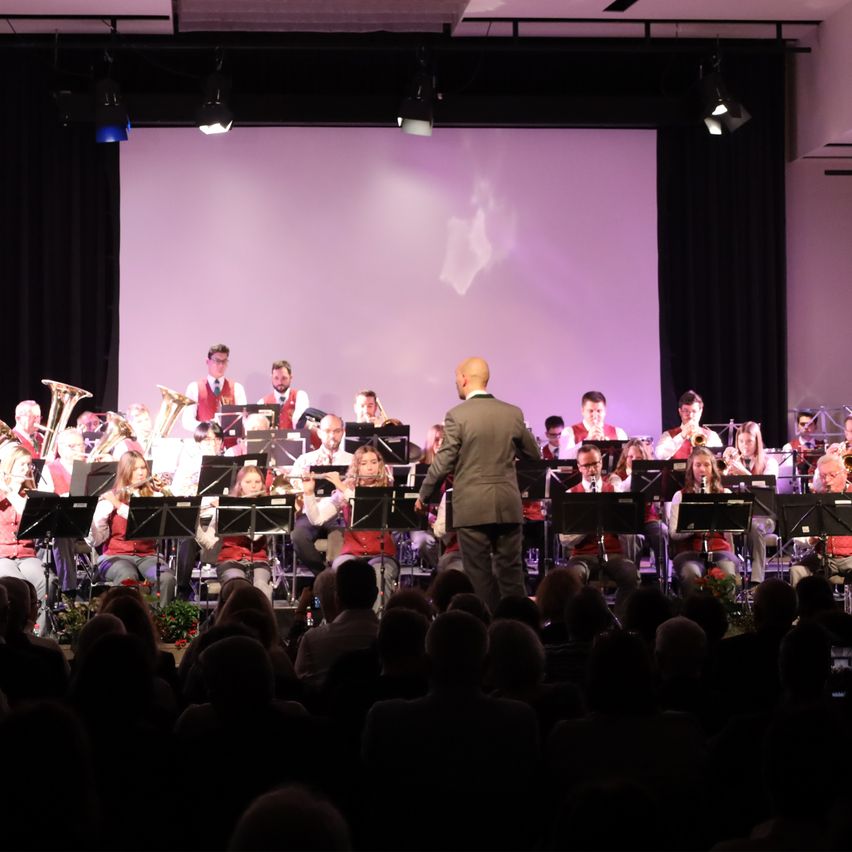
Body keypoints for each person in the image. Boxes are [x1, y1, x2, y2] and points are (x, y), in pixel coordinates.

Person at [415, 357, 540, 612]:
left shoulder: (457, 416)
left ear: (463, 378)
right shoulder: (512, 413)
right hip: (507, 503)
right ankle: (518, 630)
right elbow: (534, 456)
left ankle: (488, 632)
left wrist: (424, 494)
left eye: (455, 379)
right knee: (511, 573)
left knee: (479, 575)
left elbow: (443, 462)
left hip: (472, 507)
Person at [302, 445, 399, 608]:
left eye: (374, 462)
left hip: (382, 553)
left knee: (379, 574)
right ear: (356, 466)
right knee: (341, 571)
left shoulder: (387, 490)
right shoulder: (345, 491)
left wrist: (342, 486)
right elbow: (317, 519)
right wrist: (309, 493)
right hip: (352, 552)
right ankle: (345, 621)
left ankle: (376, 625)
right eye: (364, 463)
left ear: (380, 465)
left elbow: (365, 507)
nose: (369, 467)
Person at [561, 444, 639, 615]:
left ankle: (620, 621)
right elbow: (564, 539)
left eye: (595, 464)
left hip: (613, 553)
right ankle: (585, 621)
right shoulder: (571, 494)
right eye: (586, 466)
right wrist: (589, 522)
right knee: (572, 578)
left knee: (631, 575)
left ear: (601, 464)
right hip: (582, 556)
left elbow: (627, 526)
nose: (591, 470)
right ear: (579, 468)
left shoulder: (614, 491)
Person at [88, 450, 175, 603]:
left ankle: (159, 623)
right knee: (127, 577)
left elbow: (144, 522)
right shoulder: (110, 499)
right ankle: (125, 622)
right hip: (115, 556)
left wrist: (118, 505)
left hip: (147, 556)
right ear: (125, 471)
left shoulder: (154, 497)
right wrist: (95, 520)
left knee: (166, 579)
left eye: (143, 468)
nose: (141, 473)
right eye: (135, 469)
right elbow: (97, 540)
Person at [668, 446, 740, 594]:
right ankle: (694, 614)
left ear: (713, 469)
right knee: (691, 575)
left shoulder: (725, 493)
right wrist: (695, 525)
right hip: (690, 552)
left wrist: (728, 521)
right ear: (691, 468)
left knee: (727, 574)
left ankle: (725, 615)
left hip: (720, 549)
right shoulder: (680, 496)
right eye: (698, 465)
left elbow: (736, 531)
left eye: (706, 465)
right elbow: (674, 533)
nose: (702, 469)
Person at [197, 465, 275, 600]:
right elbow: (208, 543)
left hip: (258, 561)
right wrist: (195, 522)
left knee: (261, 587)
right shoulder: (225, 507)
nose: (253, 486)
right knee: (238, 587)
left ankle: (264, 620)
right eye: (248, 482)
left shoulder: (267, 509)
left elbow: (255, 537)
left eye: (257, 482)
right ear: (240, 485)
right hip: (229, 560)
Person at [289, 414, 353, 576]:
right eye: (328, 431)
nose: (332, 435)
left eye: (337, 431)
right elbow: (292, 485)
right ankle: (324, 576)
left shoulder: (352, 460)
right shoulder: (305, 459)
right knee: (298, 536)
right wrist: (303, 484)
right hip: (312, 511)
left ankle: (336, 578)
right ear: (319, 433)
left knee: (339, 541)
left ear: (343, 432)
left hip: (339, 513)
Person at [720, 420, 779, 585]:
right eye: (741, 441)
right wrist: (723, 469)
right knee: (726, 527)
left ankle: (756, 580)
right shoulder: (732, 462)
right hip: (738, 514)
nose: (744, 446)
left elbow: (767, 486)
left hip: (764, 515)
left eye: (749, 442)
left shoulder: (770, 463)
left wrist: (743, 472)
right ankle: (732, 574)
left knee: (754, 526)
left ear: (757, 442)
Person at [37, 428, 89, 597]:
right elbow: (47, 502)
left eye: (81, 445)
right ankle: (69, 590)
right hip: (65, 522)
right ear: (60, 448)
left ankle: (98, 579)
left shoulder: (89, 469)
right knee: (63, 534)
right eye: (72, 446)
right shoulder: (50, 469)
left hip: (90, 520)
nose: (78, 450)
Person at [609, 437, 668, 577]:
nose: (634, 460)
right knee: (631, 538)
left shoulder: (652, 475)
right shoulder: (616, 476)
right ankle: (632, 577)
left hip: (648, 518)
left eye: (639, 457)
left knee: (662, 532)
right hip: (627, 520)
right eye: (630, 456)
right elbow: (619, 495)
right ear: (625, 458)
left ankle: (665, 578)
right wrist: (634, 474)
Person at [790, 453, 851, 586]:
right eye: (823, 476)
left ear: (844, 474)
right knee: (797, 571)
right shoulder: (816, 498)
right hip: (823, 557)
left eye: (832, 475)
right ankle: (802, 607)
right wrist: (811, 539)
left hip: (850, 557)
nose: (827, 480)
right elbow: (797, 535)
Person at [0, 445, 45, 601]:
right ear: (9, 465)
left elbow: (25, 514)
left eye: (28, 465)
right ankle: (13, 624)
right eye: (21, 464)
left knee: (41, 579)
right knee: (16, 585)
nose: (26, 469)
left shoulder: (30, 496)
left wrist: (11, 491)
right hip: (2, 555)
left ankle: (38, 625)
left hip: (26, 555)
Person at [181, 343, 247, 433]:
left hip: (231, 445)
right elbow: (187, 421)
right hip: (205, 443)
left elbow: (243, 419)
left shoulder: (237, 388)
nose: (221, 365)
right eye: (217, 361)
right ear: (207, 362)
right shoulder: (194, 388)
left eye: (224, 362)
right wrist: (208, 428)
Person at [655, 389, 722, 460]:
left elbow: (719, 458)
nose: (690, 415)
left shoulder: (711, 436)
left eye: (694, 411)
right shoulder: (668, 435)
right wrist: (681, 436)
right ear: (680, 412)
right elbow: (660, 455)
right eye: (686, 411)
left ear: (700, 412)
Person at [559, 391, 628, 458]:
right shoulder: (569, 432)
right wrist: (587, 441)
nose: (595, 415)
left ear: (605, 411)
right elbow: (564, 459)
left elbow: (626, 459)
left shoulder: (619, 432)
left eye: (599, 411)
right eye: (590, 411)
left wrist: (608, 445)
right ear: (582, 411)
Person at [256, 359, 309, 430]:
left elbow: (299, 422)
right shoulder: (262, 402)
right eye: (276, 378)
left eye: (284, 378)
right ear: (271, 378)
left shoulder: (300, 396)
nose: (280, 382)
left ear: (290, 378)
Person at [783, 409, 822, 477]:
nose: (806, 427)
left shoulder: (823, 446)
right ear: (798, 427)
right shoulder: (788, 447)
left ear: (815, 426)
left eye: (810, 424)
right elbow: (789, 473)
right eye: (802, 424)